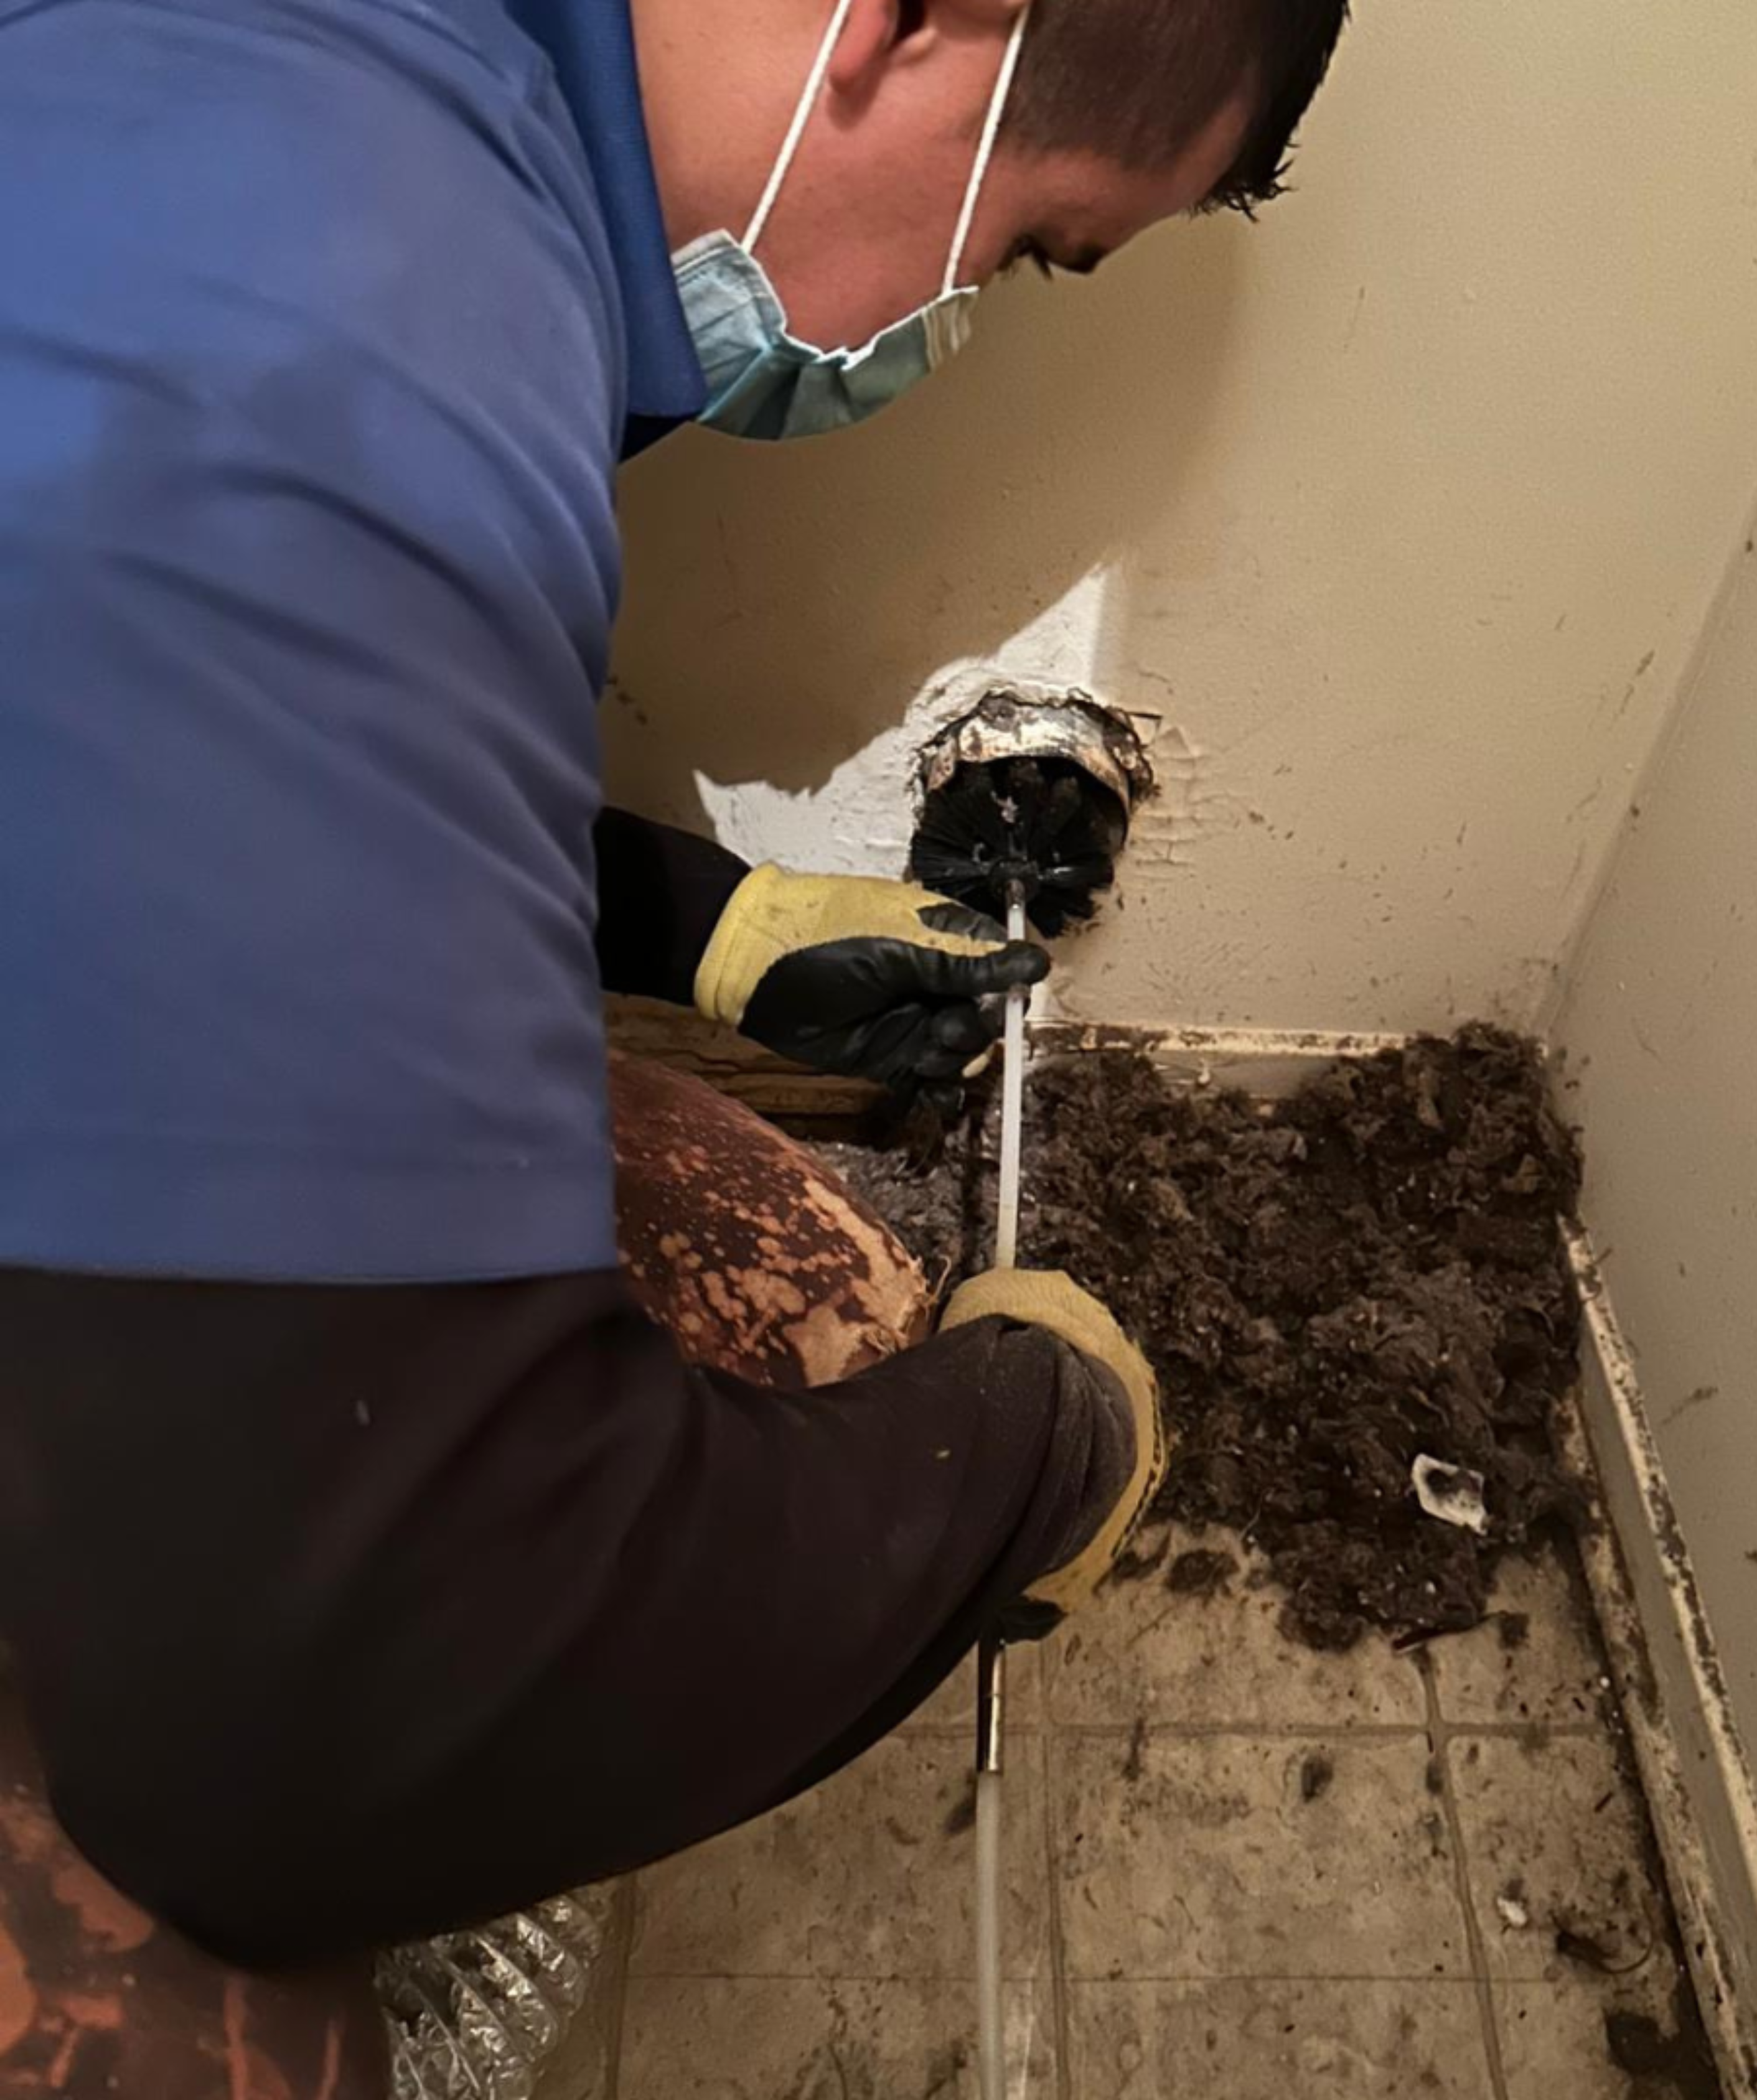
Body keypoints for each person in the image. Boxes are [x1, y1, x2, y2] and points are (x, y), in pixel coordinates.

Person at [0, 0, 1349, 1969]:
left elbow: (130, 767)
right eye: (1026, 245)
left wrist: (691, 920)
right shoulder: (361, 340)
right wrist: (1030, 1453)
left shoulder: (295, 110)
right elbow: (323, 1744)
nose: (943, 324)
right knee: (185, 2005)